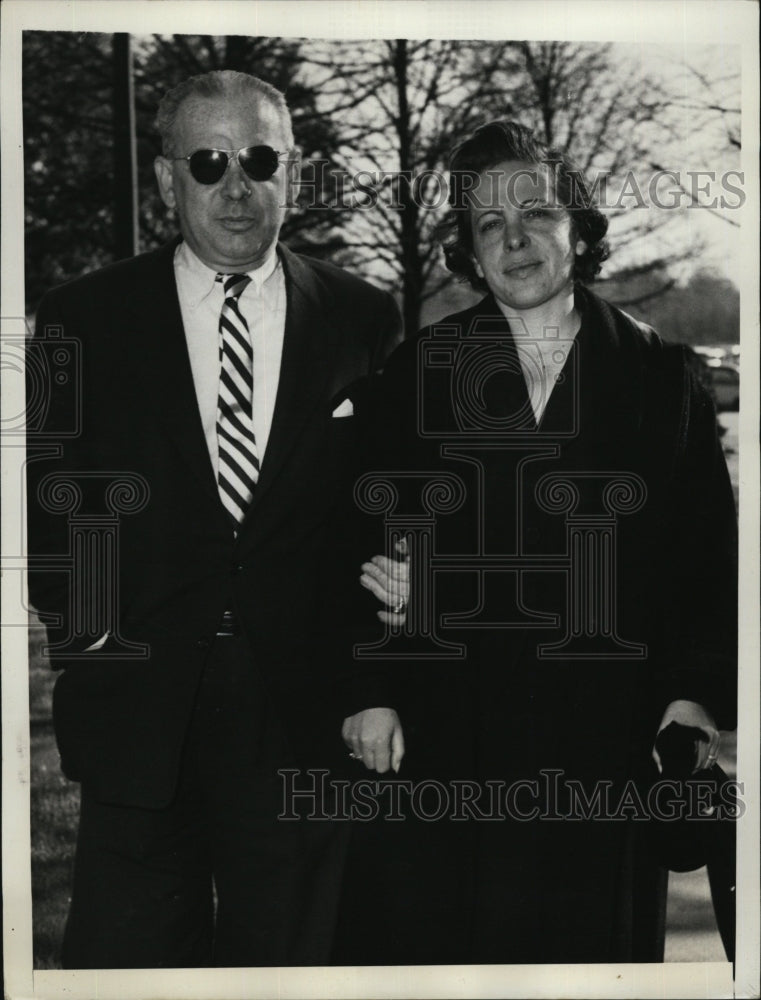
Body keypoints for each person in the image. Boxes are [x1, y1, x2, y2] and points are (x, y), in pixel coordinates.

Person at [334, 120, 737, 965]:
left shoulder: (664, 380)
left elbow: (705, 560)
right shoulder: (418, 375)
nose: (514, 239)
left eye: (536, 214)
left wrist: (693, 698)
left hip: (609, 745)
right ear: (470, 254)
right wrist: (370, 689)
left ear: (577, 231)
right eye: (488, 224)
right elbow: (362, 549)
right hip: (451, 742)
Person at [26, 69, 402, 968]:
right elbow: (52, 516)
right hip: (141, 720)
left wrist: (372, 675)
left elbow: (384, 514)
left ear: (294, 174)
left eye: (259, 158)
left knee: (294, 964)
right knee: (128, 968)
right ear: (166, 181)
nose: (236, 186)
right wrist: (100, 648)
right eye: (207, 162)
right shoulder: (83, 317)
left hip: (303, 718)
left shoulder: (362, 317)